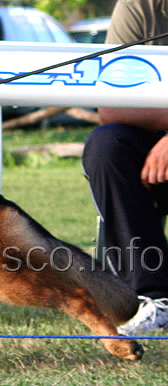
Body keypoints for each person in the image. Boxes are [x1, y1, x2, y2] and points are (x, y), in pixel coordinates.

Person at [82, 0, 168, 335]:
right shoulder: (141, 6)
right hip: (152, 154)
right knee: (108, 145)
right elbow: (112, 103)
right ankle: (154, 298)